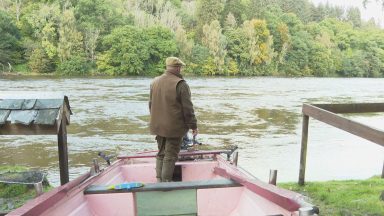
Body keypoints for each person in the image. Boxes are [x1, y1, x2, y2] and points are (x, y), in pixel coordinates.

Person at [149, 57, 198, 182]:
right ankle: (166, 183)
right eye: (180, 67)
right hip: (174, 128)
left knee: (160, 153)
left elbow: (151, 104)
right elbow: (188, 109)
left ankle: (159, 181)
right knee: (170, 156)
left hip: (157, 126)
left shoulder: (154, 81)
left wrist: (156, 120)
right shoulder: (181, 84)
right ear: (177, 68)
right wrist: (193, 126)